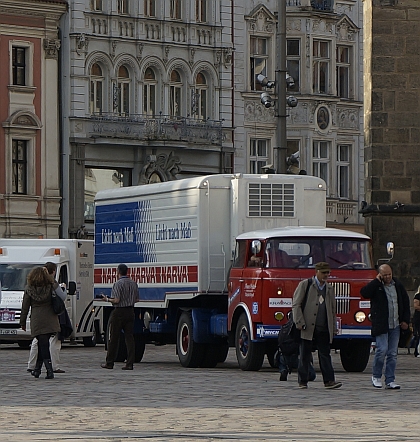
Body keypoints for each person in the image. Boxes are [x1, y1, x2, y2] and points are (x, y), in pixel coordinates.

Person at [292, 262, 342, 389]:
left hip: (323, 327)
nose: (326, 275)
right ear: (317, 272)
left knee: (325, 354)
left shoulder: (329, 288)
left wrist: (333, 327)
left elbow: (332, 309)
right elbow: (296, 304)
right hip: (307, 326)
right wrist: (299, 322)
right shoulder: (306, 284)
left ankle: (329, 380)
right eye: (324, 272)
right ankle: (302, 381)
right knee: (305, 354)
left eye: (328, 273)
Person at [361, 263, 410, 389]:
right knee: (381, 350)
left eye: (389, 274)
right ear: (380, 275)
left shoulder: (398, 285)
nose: (388, 277)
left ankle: (390, 379)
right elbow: (365, 293)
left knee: (392, 353)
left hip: (395, 324)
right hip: (382, 324)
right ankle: (376, 376)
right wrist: (376, 281)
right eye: (385, 275)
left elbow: (404, 302)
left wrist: (405, 320)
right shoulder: (377, 287)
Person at [20, 266, 66, 379]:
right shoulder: (51, 286)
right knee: (43, 344)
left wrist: (22, 321)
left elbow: (25, 307)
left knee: (42, 343)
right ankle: (38, 370)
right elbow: (62, 296)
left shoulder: (29, 289)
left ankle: (48, 371)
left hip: (37, 319)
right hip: (50, 318)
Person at [101, 263, 139, 370]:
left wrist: (107, 299)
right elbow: (137, 299)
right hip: (130, 311)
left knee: (114, 338)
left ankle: (110, 362)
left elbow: (116, 300)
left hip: (119, 312)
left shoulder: (118, 284)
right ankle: (130, 363)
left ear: (118, 272)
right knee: (129, 337)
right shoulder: (133, 283)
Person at [413, 286, 420, 358]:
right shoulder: (417, 296)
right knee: (418, 334)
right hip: (418, 318)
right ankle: (417, 351)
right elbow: (416, 306)